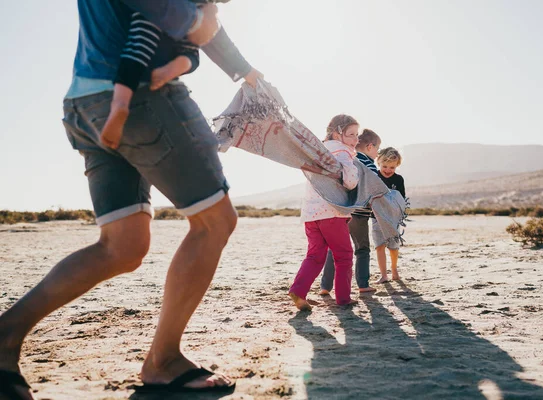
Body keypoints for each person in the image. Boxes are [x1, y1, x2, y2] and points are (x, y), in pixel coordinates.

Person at [0, 1, 261, 398]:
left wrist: (242, 67)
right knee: (215, 223)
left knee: (121, 247)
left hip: (85, 102)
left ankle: (4, 337)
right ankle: (164, 361)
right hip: (139, 97)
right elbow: (176, 16)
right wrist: (197, 22)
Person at [100, 0, 232, 150]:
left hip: (163, 8)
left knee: (140, 45)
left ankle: (120, 103)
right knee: (191, 52)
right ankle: (176, 66)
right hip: (194, 14)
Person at [289, 115, 360, 311]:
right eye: (351, 134)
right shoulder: (343, 151)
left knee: (315, 255)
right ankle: (343, 298)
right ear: (337, 133)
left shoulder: (317, 150)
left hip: (311, 213)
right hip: (332, 212)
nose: (355, 140)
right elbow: (350, 181)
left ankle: (299, 290)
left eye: (357, 135)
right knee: (344, 254)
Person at [319, 129, 381, 295]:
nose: (377, 154)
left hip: (342, 211)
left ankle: (325, 286)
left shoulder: (348, 158)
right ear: (370, 147)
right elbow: (375, 186)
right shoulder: (368, 164)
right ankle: (362, 284)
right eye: (377, 150)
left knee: (335, 248)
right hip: (359, 214)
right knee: (362, 248)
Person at [373, 147, 406, 283]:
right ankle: (383, 275)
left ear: (397, 166)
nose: (387, 170)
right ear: (378, 163)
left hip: (393, 219)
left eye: (392, 167)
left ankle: (394, 269)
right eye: (384, 166)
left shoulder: (398, 179)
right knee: (379, 245)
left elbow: (401, 199)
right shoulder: (374, 176)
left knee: (393, 246)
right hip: (376, 218)